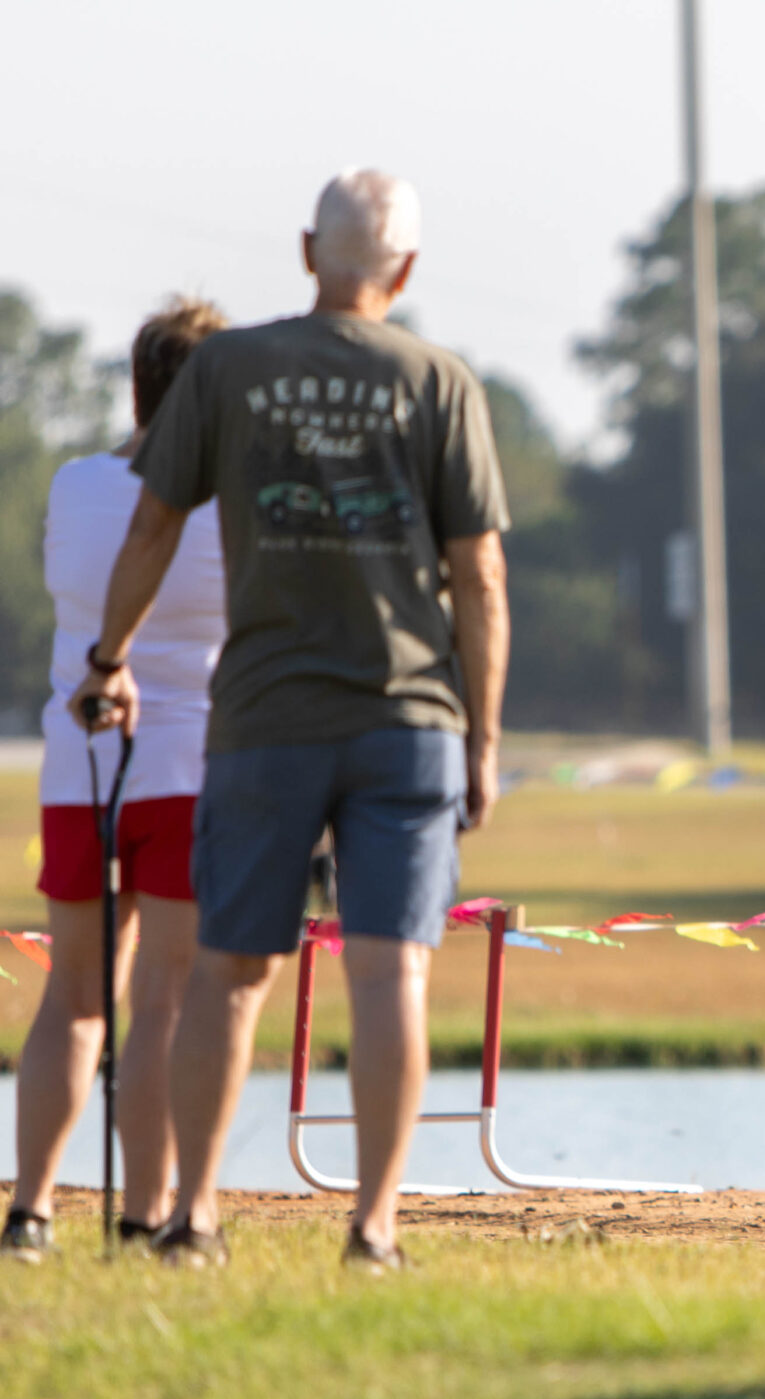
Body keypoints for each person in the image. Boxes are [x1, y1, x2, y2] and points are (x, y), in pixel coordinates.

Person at [69, 168, 510, 1271]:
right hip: (409, 715)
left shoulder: (226, 368)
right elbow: (484, 578)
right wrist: (486, 738)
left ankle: (194, 1216)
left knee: (229, 968)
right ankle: (372, 1226)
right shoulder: (441, 380)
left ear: (310, 249)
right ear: (403, 270)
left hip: (263, 716)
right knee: (389, 971)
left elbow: (153, 525)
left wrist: (109, 655)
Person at [2, 299, 228, 1264]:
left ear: (138, 386)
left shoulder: (73, 484)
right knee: (169, 1001)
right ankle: (146, 1218)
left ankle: (31, 1214)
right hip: (187, 768)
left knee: (74, 996)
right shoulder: (229, 505)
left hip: (77, 768)